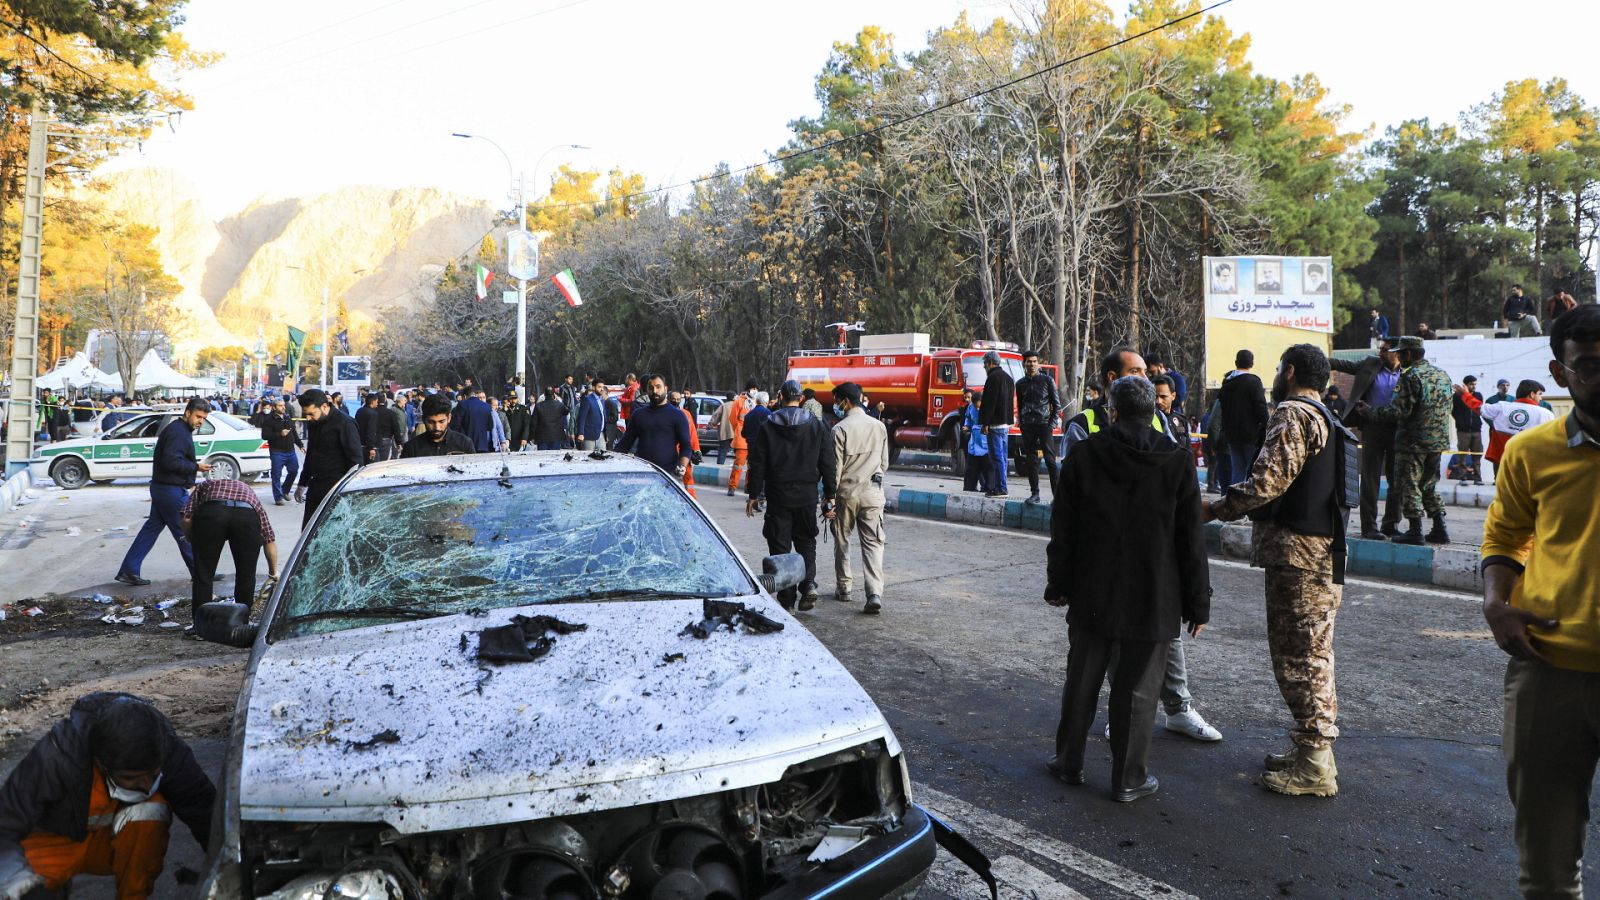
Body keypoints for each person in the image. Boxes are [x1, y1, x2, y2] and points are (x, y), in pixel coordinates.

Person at [1479, 303, 1600, 896]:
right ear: (1561, 373)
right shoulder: (1533, 453)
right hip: (1549, 671)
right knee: (1548, 870)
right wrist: (1496, 601)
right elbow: (1504, 537)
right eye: (1592, 366)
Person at [1045, 376, 1209, 803]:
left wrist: (1058, 584)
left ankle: (1069, 762)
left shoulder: (1084, 456)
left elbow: (1064, 529)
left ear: (1112, 410)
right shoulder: (1176, 460)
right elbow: (1190, 539)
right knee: (1138, 691)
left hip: (1092, 591)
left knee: (1081, 680)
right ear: (1153, 411)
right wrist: (1198, 603)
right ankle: (1128, 779)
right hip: (1154, 597)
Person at [1207, 344, 1349, 797]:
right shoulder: (1326, 415)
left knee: (1299, 658)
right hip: (1322, 552)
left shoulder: (1293, 413)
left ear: (1289, 372)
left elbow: (1268, 482)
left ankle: (1315, 765)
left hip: (1298, 556)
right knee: (1312, 654)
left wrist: (1216, 508)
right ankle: (1312, 751)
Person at [0, 694, 216, 900]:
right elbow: (5, 824)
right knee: (12, 886)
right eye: (132, 778)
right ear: (101, 764)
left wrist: (229, 869)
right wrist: (23, 886)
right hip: (56, 842)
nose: (147, 786)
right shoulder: (56, 757)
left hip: (113, 845)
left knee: (151, 810)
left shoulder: (169, 750)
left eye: (152, 774)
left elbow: (207, 815)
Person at [745, 380, 837, 611]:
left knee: (780, 545)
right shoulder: (817, 425)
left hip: (778, 496)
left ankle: (786, 600)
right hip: (807, 495)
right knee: (806, 541)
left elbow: (758, 463)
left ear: (781, 396)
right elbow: (828, 463)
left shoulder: (768, 425)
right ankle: (808, 585)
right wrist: (830, 494)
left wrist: (753, 494)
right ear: (801, 398)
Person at [1359, 336, 1454, 545]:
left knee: (1408, 484)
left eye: (1401, 353)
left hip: (1413, 442)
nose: (1399, 357)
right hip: (1437, 441)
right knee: (1429, 485)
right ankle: (1439, 527)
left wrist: (1370, 412)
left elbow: (1398, 411)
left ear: (1409, 354)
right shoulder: (1442, 375)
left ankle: (1415, 530)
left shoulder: (1411, 377)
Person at [113, 399, 212, 587]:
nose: (200, 421)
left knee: (151, 530)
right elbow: (170, 462)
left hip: (164, 488)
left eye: (204, 418)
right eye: (198, 416)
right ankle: (201, 572)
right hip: (170, 490)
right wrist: (196, 466)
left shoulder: (180, 430)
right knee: (187, 530)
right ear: (187, 412)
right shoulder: (177, 432)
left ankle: (129, 569)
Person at [829, 382, 889, 614]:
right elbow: (884, 463)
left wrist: (830, 498)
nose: (836, 405)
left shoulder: (840, 429)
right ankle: (874, 592)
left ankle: (844, 587)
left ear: (845, 401)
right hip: (873, 493)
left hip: (847, 494)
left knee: (842, 539)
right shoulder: (879, 426)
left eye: (837, 401)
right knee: (873, 543)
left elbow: (835, 469)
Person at [180, 476, 278, 613]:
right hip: (246, 516)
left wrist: (193, 539)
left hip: (212, 514)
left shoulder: (205, 485)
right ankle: (242, 623)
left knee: (203, 574)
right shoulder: (248, 491)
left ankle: (200, 624)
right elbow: (269, 537)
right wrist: (273, 573)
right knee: (246, 574)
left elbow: (186, 518)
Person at [1456, 378, 1557, 484]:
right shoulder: (1546, 414)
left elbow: (1479, 407)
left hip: (1504, 464)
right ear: (1532, 394)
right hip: (1530, 467)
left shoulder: (1502, 407)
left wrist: (1465, 395)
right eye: (1540, 394)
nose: (1541, 398)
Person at [295, 389, 362, 527]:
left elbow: (355, 462)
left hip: (337, 490)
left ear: (324, 407)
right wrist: (302, 483)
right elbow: (311, 455)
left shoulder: (345, 424)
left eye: (311, 414)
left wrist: (350, 492)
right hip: (315, 488)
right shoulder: (314, 423)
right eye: (306, 414)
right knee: (309, 533)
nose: (308, 418)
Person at [616, 373, 693, 480]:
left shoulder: (678, 415)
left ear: (666, 388)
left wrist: (682, 466)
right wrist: (611, 459)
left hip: (668, 476)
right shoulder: (638, 415)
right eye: (651, 388)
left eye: (658, 387)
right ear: (647, 390)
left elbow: (686, 446)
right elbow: (625, 443)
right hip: (642, 474)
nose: (654, 391)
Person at [1016, 349, 1062, 504]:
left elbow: (1057, 406)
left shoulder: (1047, 381)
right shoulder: (1020, 383)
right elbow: (1021, 404)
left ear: (1038, 363)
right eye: (1029, 361)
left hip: (1044, 425)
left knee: (1050, 461)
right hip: (1027, 426)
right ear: (1025, 364)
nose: (1032, 364)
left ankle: (1057, 496)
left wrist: (1051, 425)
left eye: (1035, 361)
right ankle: (1034, 494)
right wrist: (1022, 423)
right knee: (1031, 461)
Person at [1219, 349, 1269, 482]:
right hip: (1250, 435)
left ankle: (1234, 499)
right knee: (1253, 471)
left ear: (1236, 362)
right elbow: (1261, 409)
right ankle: (1249, 501)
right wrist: (1267, 426)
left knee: (1237, 471)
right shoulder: (1253, 382)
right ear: (1252, 364)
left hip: (1231, 435)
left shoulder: (1226, 384)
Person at [977, 350, 1015, 497]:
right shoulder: (1008, 378)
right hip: (1006, 424)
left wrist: (985, 423)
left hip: (995, 424)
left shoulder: (993, 378)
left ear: (990, 363)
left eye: (985, 363)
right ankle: (1002, 486)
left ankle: (1000, 488)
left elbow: (989, 403)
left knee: (996, 457)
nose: (984, 366)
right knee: (1003, 457)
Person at [401, 394, 476, 457]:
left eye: (441, 422)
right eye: (431, 422)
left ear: (449, 418)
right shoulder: (411, 447)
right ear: (424, 419)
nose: (437, 427)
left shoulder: (464, 443)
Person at [261, 397, 302, 506]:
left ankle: (285, 490)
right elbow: (264, 436)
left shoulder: (288, 417)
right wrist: (279, 434)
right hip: (277, 451)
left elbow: (294, 433)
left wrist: (300, 445)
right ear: (274, 407)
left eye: (283, 405)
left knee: (294, 471)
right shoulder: (269, 419)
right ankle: (278, 497)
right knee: (276, 475)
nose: (283, 407)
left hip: (290, 451)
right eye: (280, 405)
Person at [1450, 375, 1484, 484]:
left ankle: (1477, 478)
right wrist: (1461, 421)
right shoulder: (1456, 396)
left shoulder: (1478, 395)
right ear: (1465, 385)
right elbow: (1453, 411)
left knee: (1477, 455)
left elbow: (1478, 408)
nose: (1474, 386)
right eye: (1471, 384)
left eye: (1475, 384)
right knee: (1462, 455)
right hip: (1463, 431)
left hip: (1476, 430)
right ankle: (1462, 478)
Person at [726, 381, 757, 496]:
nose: (755, 390)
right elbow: (733, 418)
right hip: (742, 439)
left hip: (754, 439)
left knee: (752, 466)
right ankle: (732, 487)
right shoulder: (739, 401)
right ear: (748, 389)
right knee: (738, 464)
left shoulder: (756, 402)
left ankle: (748, 487)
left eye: (756, 388)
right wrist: (738, 430)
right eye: (753, 388)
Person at [959, 389, 991, 494]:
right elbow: (968, 418)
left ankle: (988, 487)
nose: (977, 407)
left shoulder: (987, 407)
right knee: (971, 468)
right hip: (974, 441)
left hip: (984, 440)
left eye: (979, 405)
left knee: (987, 468)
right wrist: (967, 426)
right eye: (976, 405)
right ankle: (969, 488)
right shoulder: (970, 407)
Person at [355, 392, 398, 464]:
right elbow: (371, 431)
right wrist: (371, 448)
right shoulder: (373, 414)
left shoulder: (360, 411)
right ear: (372, 402)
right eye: (376, 401)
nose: (377, 403)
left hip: (360, 445)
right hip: (370, 447)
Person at [576, 380, 606, 451]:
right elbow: (582, 418)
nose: (601, 389)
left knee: (603, 458)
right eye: (599, 387)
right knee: (588, 458)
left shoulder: (602, 400)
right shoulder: (587, 399)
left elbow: (603, 417)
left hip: (601, 434)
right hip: (589, 435)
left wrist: (606, 434)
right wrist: (581, 433)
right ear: (593, 387)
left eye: (603, 387)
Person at [711, 392, 733, 463]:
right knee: (739, 452)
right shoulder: (738, 405)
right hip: (736, 433)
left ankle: (719, 465)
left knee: (723, 450)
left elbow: (716, 417)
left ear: (727, 398)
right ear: (733, 397)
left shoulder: (723, 406)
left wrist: (710, 425)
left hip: (725, 433)